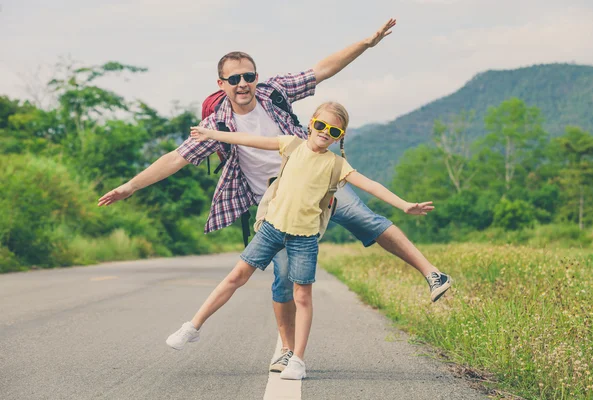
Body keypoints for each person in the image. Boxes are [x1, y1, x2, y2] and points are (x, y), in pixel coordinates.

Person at [97, 18, 452, 374]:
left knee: (366, 219)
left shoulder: (274, 92)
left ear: (256, 77)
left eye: (248, 76)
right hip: (274, 205)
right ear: (221, 84)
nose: (243, 84)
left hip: (318, 179)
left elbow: (322, 71)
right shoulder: (218, 124)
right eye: (234, 79)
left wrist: (366, 44)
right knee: (283, 277)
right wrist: (130, 186)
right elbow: (176, 157)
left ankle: (432, 274)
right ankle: (286, 349)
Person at [165, 102, 441, 380]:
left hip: (304, 239)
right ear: (311, 123)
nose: (324, 132)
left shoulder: (337, 164)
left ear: (339, 136)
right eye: (320, 125)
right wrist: (211, 134)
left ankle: (297, 360)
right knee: (235, 277)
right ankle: (193, 327)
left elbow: (371, 185)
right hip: (272, 228)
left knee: (302, 297)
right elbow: (248, 140)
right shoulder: (291, 145)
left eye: (333, 130)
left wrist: (404, 205)